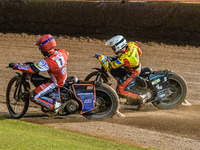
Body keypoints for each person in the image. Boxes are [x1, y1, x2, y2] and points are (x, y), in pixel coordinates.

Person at [9, 34, 69, 114]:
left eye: (40, 48)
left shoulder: (48, 62)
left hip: (55, 83)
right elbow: (66, 54)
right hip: (62, 77)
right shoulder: (62, 51)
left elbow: (32, 69)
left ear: (44, 49)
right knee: (36, 77)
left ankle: (54, 105)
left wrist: (16, 66)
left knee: (33, 96)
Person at [95, 35, 147, 110]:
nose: (113, 49)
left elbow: (110, 67)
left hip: (132, 72)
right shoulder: (132, 44)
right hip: (134, 66)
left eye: (113, 47)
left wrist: (100, 58)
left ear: (119, 46)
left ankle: (141, 97)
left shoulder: (125, 58)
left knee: (120, 90)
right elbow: (140, 52)